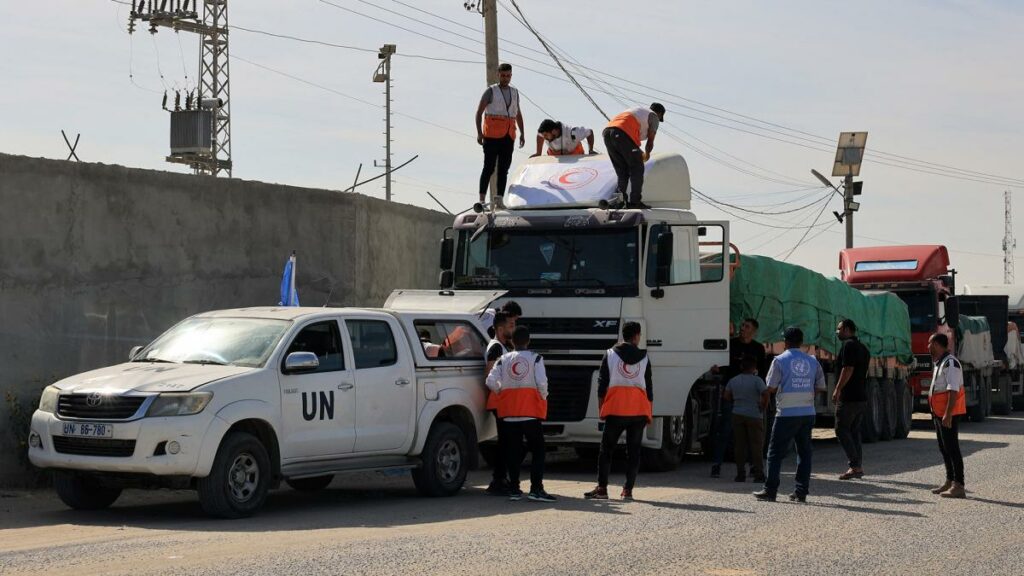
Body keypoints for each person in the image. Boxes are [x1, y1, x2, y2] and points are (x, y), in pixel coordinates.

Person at [754, 327, 826, 503]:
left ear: (785, 342)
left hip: (786, 413)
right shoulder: (812, 360)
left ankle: (770, 490)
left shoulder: (779, 360)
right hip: (807, 413)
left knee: (775, 453)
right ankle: (801, 492)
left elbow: (770, 387)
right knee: (804, 452)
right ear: (802, 342)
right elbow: (820, 386)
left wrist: (763, 403)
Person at [485, 325, 556, 502]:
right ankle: (536, 489)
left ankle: (514, 489)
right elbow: (542, 383)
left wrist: (501, 392)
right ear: (528, 340)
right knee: (538, 450)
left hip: (509, 413)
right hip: (530, 413)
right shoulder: (536, 359)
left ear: (512, 341)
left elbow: (490, 381)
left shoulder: (503, 359)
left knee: (513, 451)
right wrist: (543, 397)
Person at [584, 321, 653, 501]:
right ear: (637, 335)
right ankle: (628, 490)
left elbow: (602, 384)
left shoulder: (610, 354)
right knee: (634, 451)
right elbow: (649, 388)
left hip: (616, 410)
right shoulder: (645, 357)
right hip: (638, 410)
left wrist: (601, 408)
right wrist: (648, 412)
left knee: (606, 450)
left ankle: (602, 488)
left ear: (623, 335)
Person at [710, 318, 766, 478]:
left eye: (746, 326)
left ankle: (754, 467)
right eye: (741, 325)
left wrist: (761, 398)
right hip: (732, 394)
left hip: (751, 397)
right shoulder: (731, 345)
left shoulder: (758, 348)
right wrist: (716, 369)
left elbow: (763, 373)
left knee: (752, 435)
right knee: (726, 430)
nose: (742, 328)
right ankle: (716, 465)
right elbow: (722, 364)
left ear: (754, 331)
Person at [475, 63, 525, 207]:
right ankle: (482, 200)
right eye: (503, 75)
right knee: (489, 167)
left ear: (511, 76)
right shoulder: (491, 91)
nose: (505, 78)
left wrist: (522, 132)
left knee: (504, 168)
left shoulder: (515, 92)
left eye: (508, 76)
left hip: (509, 135)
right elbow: (479, 112)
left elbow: (518, 113)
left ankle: (499, 199)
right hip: (491, 136)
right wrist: (479, 133)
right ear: (498, 75)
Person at [602, 103, 665, 208]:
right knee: (637, 168)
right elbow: (650, 140)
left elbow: (630, 144)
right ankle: (635, 202)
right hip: (622, 133)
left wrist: (639, 153)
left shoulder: (638, 111)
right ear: (659, 113)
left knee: (622, 172)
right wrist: (647, 154)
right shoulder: (653, 116)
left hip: (607, 133)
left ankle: (620, 201)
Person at [927, 333, 967, 499]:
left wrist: (948, 414)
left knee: (952, 448)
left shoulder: (951, 363)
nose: (927, 347)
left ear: (937, 344)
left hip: (948, 413)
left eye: (930, 343)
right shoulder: (940, 362)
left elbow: (953, 389)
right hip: (939, 412)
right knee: (944, 448)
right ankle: (949, 480)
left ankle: (959, 485)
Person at [832, 319, 871, 480]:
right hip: (861, 396)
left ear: (847, 329)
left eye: (839, 329)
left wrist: (837, 389)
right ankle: (858, 466)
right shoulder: (863, 348)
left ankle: (854, 466)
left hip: (849, 397)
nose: (837, 332)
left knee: (841, 429)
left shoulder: (848, 345)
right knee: (854, 431)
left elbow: (848, 369)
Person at [483, 312, 514, 495]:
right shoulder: (496, 348)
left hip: (504, 401)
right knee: (505, 442)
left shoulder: (504, 347)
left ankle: (501, 478)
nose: (513, 328)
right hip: (499, 402)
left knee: (507, 441)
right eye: (511, 325)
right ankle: (498, 480)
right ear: (500, 329)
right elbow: (489, 375)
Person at [726, 355, 769, 482]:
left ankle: (740, 474)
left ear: (741, 367)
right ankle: (759, 474)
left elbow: (726, 395)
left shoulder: (733, 380)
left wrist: (735, 402)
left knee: (740, 446)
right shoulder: (757, 381)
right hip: (755, 415)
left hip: (737, 414)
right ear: (754, 368)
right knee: (756, 446)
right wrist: (763, 406)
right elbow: (765, 393)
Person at [531, 119, 595, 157]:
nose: (544, 138)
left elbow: (589, 132)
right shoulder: (544, 134)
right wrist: (538, 153)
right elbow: (539, 136)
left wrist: (591, 150)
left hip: (575, 158)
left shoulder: (572, 133)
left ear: (553, 131)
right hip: (557, 160)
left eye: (546, 135)